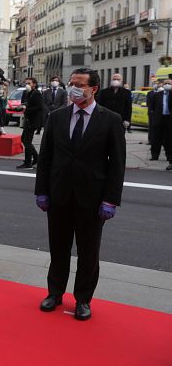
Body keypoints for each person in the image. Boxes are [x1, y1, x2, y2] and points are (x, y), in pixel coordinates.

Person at [35, 68, 125, 321]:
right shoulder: (56, 117)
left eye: (79, 84)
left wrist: (110, 199)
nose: (73, 88)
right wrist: (41, 191)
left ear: (93, 88)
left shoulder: (110, 120)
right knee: (58, 249)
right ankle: (54, 293)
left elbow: (117, 164)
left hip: (92, 199)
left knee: (88, 253)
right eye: (71, 83)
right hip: (59, 195)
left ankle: (83, 300)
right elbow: (46, 158)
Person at [16, 77, 45, 169]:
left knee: (27, 141)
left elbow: (39, 107)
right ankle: (36, 158)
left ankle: (28, 162)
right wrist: (23, 106)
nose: (27, 85)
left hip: (33, 120)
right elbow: (26, 103)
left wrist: (26, 108)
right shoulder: (27, 92)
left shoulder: (37, 93)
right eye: (26, 83)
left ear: (34, 84)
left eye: (29, 83)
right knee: (24, 139)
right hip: (28, 120)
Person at [149, 77, 172, 168]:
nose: (167, 85)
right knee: (156, 138)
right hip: (159, 118)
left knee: (168, 139)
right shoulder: (157, 95)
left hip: (169, 119)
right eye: (165, 83)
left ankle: (169, 156)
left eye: (169, 83)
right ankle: (154, 155)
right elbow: (152, 107)